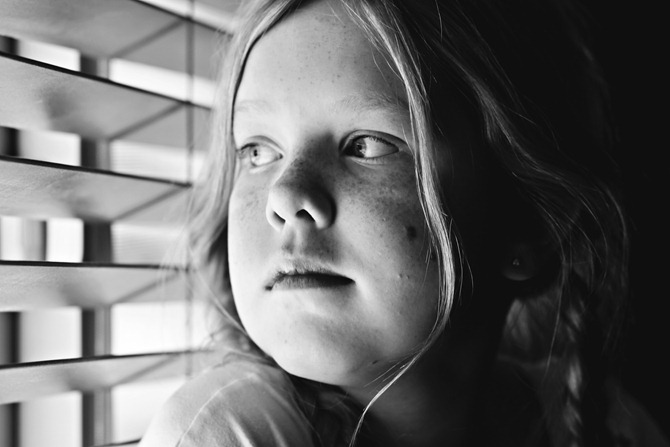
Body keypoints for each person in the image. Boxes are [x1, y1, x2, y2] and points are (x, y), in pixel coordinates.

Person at [139, 0, 670, 446]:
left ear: (529, 222)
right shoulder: (225, 431)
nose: (285, 194)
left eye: (368, 145)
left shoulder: (608, 425)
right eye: (257, 151)